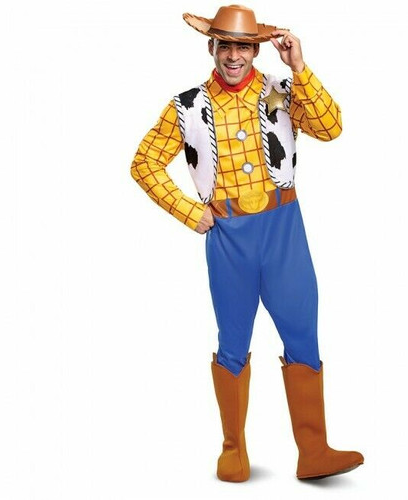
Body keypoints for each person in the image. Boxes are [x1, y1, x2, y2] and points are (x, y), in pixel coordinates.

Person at [130, 4, 364, 482]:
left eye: (243, 46)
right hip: (229, 237)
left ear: (255, 50)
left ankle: (313, 450)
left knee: (302, 331)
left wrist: (299, 67)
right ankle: (233, 449)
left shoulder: (282, 90)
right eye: (226, 45)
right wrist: (191, 212)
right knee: (233, 340)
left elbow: (331, 128)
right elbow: (143, 163)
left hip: (284, 228)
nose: (233, 56)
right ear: (211, 47)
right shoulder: (187, 106)